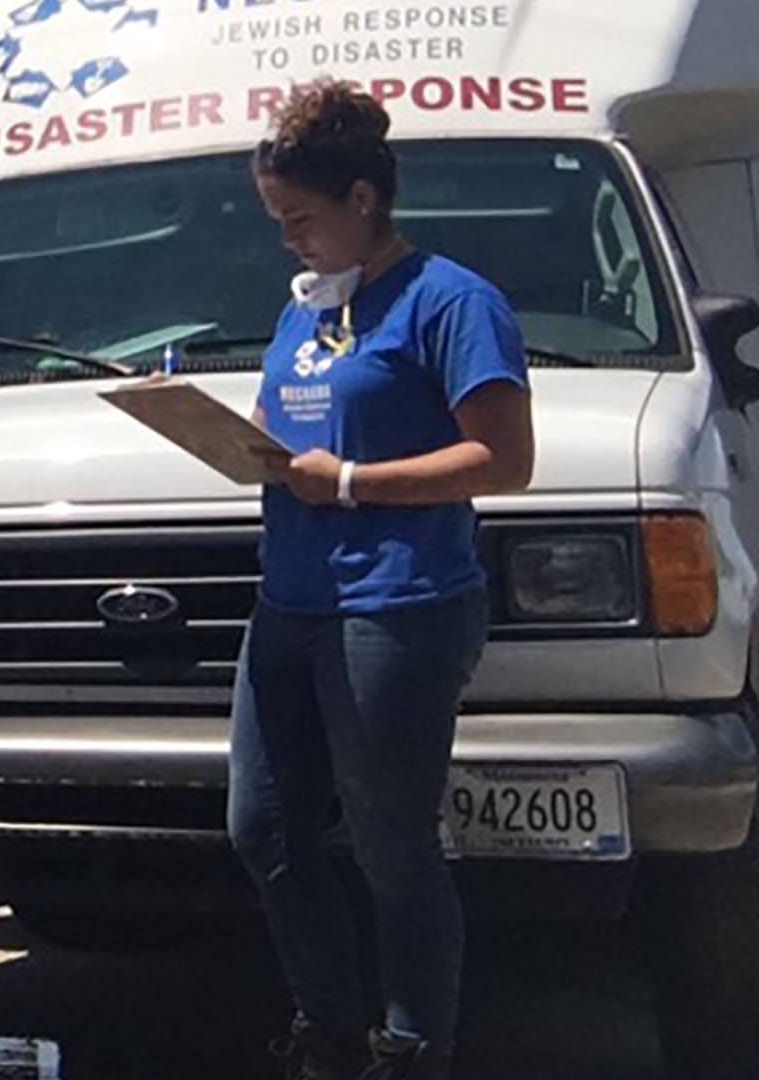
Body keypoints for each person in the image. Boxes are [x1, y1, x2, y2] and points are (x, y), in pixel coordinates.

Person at [233, 80, 536, 1080]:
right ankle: (327, 1031)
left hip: (396, 604)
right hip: (292, 601)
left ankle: (410, 1047)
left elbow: (503, 459)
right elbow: (306, 429)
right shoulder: (310, 310)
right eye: (279, 220)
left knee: (391, 843)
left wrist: (354, 480)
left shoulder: (452, 299)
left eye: (300, 218)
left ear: (363, 197)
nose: (289, 240)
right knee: (263, 826)